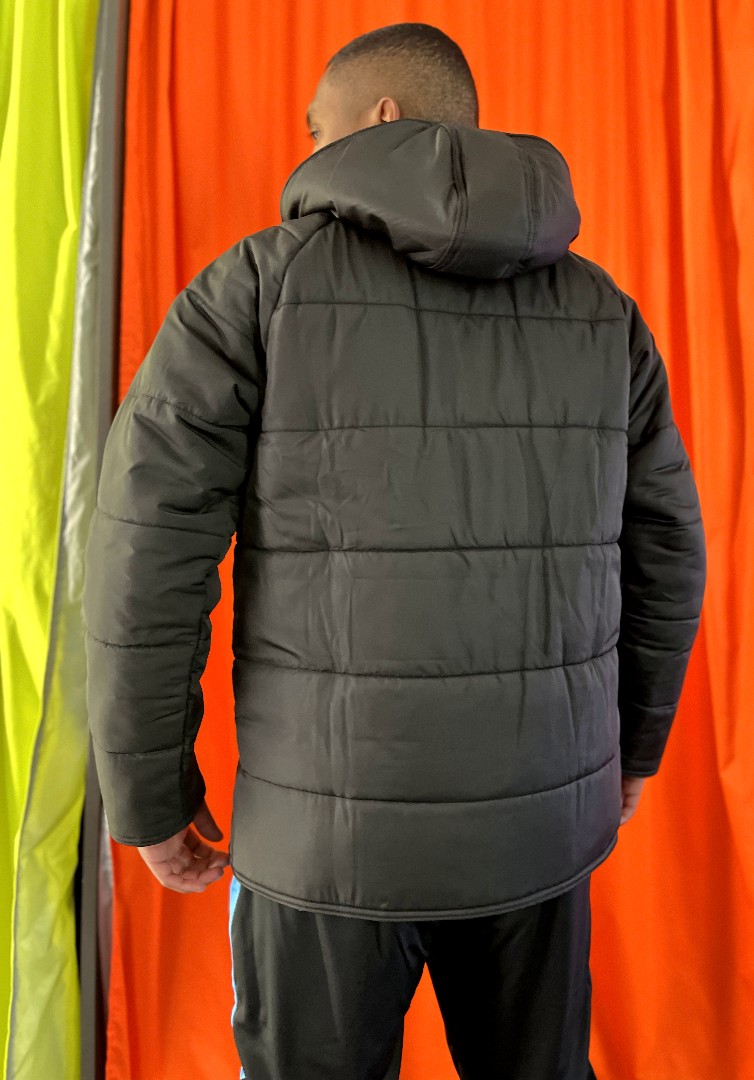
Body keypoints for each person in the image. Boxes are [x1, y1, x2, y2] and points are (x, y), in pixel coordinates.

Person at [82, 21, 707, 1080]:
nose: (307, 150)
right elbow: (666, 552)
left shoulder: (256, 287)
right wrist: (632, 749)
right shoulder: (602, 312)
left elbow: (147, 554)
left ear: (379, 118)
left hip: (322, 845)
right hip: (537, 832)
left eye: (314, 128)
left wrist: (149, 792)